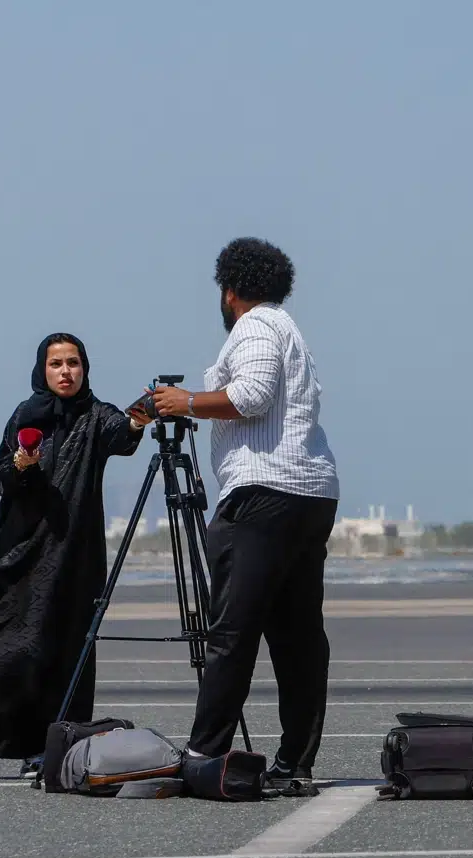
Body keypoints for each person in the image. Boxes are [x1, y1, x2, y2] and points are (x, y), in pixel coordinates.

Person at [0, 333, 148, 771]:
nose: (65, 372)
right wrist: (22, 462)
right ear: (43, 368)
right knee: (14, 640)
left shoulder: (97, 415)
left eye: (73, 363)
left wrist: (141, 417)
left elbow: (123, 433)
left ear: (84, 369)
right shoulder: (25, 414)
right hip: (22, 550)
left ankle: (61, 746)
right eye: (56, 363)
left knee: (70, 645)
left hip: (74, 555)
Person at [149, 237, 339, 789]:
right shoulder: (289, 329)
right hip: (310, 491)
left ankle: (205, 753)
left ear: (229, 290)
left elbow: (252, 394)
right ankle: (295, 763)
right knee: (298, 632)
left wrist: (183, 402)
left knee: (232, 630)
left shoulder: (254, 326)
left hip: (263, 492)